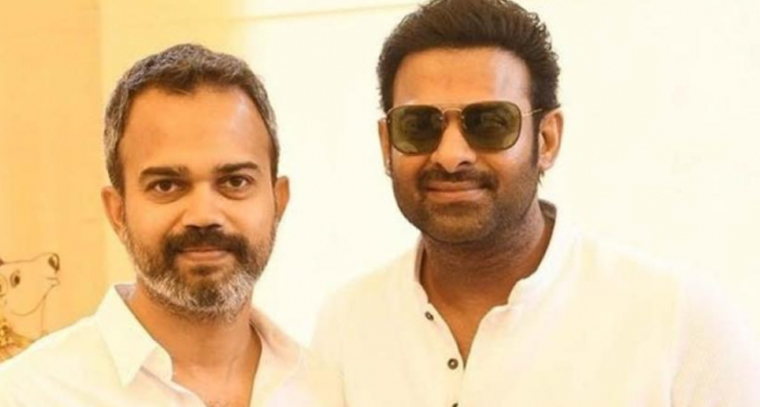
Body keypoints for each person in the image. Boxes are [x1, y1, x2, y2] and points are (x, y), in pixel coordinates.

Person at [312, 1, 760, 406]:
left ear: (546, 139)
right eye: (419, 125)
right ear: (386, 143)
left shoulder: (678, 325)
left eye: (490, 123)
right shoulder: (348, 324)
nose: (450, 155)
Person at [0, 44, 343, 407]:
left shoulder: (326, 388)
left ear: (278, 201)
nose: (203, 215)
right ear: (117, 211)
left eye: (235, 181)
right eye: (166, 185)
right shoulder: (26, 394)